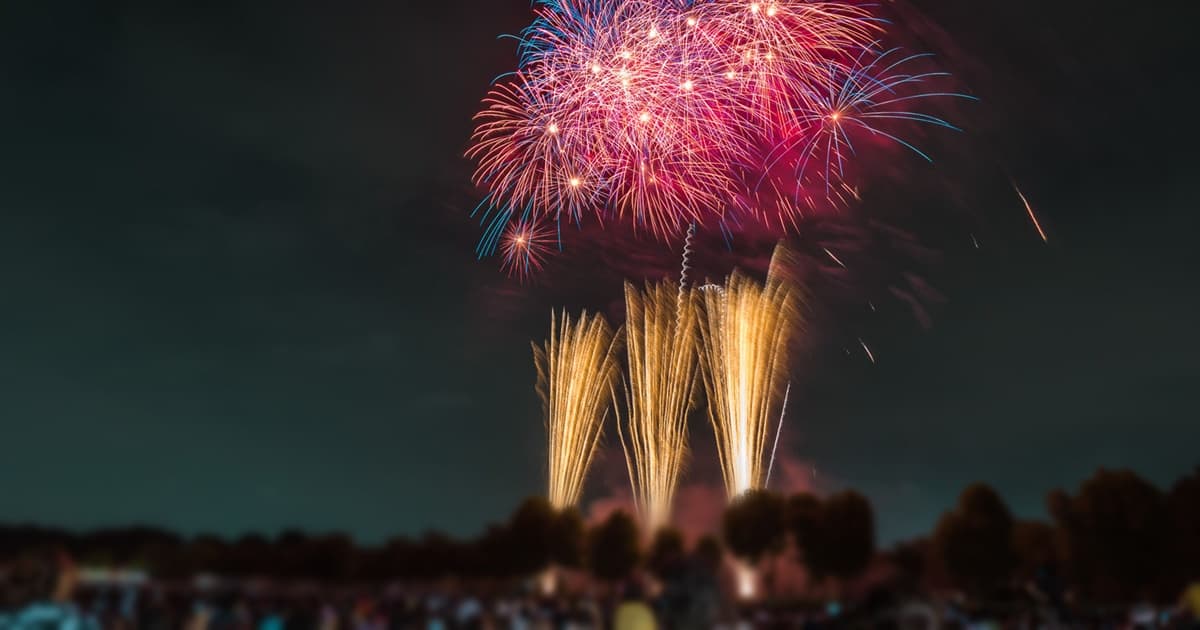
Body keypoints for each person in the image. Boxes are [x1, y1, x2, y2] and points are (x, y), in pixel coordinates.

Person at [0, 547, 98, 629]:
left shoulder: (9, 616)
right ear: (59, 579)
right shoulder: (70, 621)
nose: (76, 578)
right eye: (71, 571)